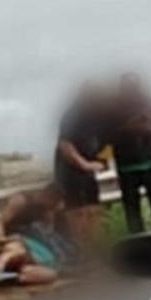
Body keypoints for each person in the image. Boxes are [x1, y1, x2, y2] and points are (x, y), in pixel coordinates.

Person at [111, 73, 151, 235]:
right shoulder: (113, 108)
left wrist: (149, 130)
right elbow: (107, 135)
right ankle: (138, 244)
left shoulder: (150, 103)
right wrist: (128, 129)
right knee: (132, 210)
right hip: (127, 167)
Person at [0, 183, 64, 288]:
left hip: (33, 249)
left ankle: (14, 277)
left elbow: (48, 230)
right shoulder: (21, 200)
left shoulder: (46, 209)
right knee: (17, 251)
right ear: (48, 196)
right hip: (14, 239)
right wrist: (2, 239)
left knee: (51, 274)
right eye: (53, 204)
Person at [53, 81, 109, 220]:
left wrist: (103, 160)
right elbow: (65, 145)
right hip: (71, 176)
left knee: (94, 212)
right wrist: (85, 165)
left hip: (89, 177)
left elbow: (108, 142)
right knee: (78, 215)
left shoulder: (98, 116)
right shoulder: (73, 115)